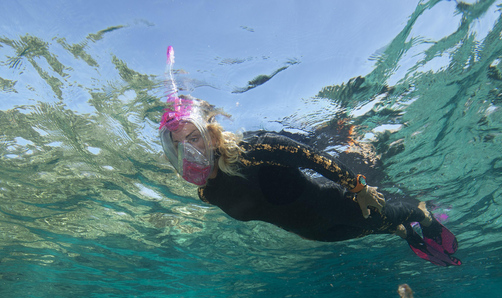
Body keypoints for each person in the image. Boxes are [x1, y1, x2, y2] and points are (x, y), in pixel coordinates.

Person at [158, 50, 460, 266]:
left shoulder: (252, 150)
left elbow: (312, 157)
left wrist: (359, 188)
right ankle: (402, 231)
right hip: (315, 233)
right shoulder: (206, 193)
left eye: (194, 137)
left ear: (210, 135)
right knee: (379, 229)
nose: (190, 150)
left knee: (382, 218)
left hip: (340, 205)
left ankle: (422, 214)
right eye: (179, 144)